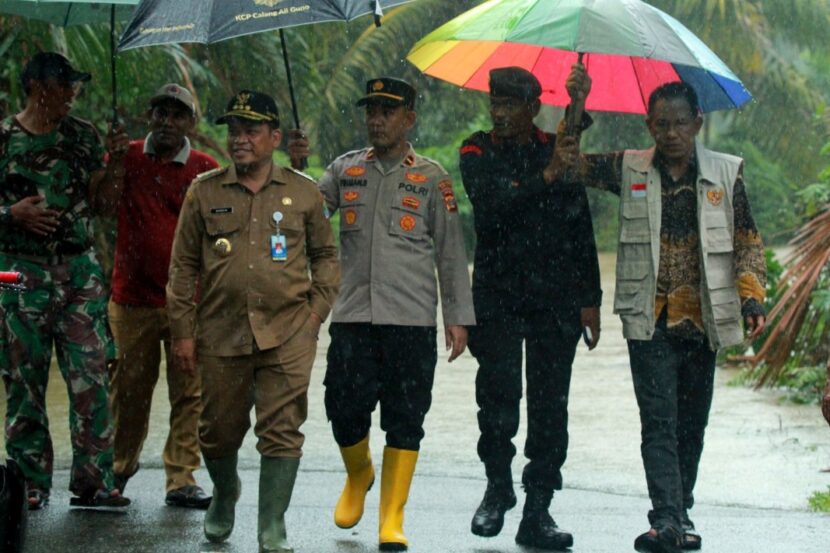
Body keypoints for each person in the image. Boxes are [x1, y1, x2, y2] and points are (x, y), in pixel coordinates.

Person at [557, 77, 767, 553]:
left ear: (698, 123)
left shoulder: (726, 174)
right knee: (658, 422)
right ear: (648, 124)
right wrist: (576, 105)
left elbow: (749, 243)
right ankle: (666, 518)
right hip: (648, 320)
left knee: (693, 422)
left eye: (679, 124)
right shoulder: (630, 167)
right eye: (661, 124)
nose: (670, 134)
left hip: (703, 318)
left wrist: (752, 296)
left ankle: (681, 509)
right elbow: (568, 166)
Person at [166, 90, 339, 551]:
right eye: (234, 130)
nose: (240, 139)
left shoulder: (304, 193)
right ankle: (226, 491)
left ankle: (271, 526)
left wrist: (315, 315)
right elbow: (182, 268)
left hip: (289, 331)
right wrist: (182, 332)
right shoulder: (204, 192)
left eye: (251, 130)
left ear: (275, 137)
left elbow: (325, 257)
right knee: (217, 429)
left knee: (282, 428)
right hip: (220, 331)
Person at [318, 77, 475, 551]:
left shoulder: (431, 177)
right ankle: (358, 473)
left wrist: (457, 316)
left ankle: (392, 517)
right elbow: (301, 212)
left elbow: (451, 253)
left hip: (409, 320)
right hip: (351, 315)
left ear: (409, 118)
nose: (376, 119)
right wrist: (297, 169)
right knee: (342, 407)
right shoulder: (344, 171)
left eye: (388, 111)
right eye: (371, 110)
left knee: (406, 418)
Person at [457, 66, 601, 551]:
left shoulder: (556, 147)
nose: (499, 114)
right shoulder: (476, 149)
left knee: (549, 406)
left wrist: (590, 299)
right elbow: (492, 205)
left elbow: (579, 225)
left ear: (532, 108)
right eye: (494, 103)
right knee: (496, 397)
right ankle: (497, 487)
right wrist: (547, 175)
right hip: (498, 294)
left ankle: (538, 506)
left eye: (510, 105)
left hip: (554, 298)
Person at [0, 52, 129, 509]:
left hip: (79, 270)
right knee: (23, 377)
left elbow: (103, 205)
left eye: (76, 84)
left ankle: (96, 481)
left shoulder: (84, 136)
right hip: (14, 270)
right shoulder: (4, 137)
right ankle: (28, 483)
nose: (74, 92)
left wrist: (114, 164)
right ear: (38, 86)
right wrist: (11, 214)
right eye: (65, 84)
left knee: (91, 374)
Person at [100, 84, 219, 508]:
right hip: (132, 298)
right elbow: (102, 206)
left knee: (190, 392)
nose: (167, 122)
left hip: (188, 301)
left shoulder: (205, 170)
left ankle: (181, 478)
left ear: (191, 122)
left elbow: (220, 231)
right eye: (160, 113)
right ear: (148, 117)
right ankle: (116, 469)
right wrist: (112, 161)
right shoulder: (127, 156)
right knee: (129, 390)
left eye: (177, 115)